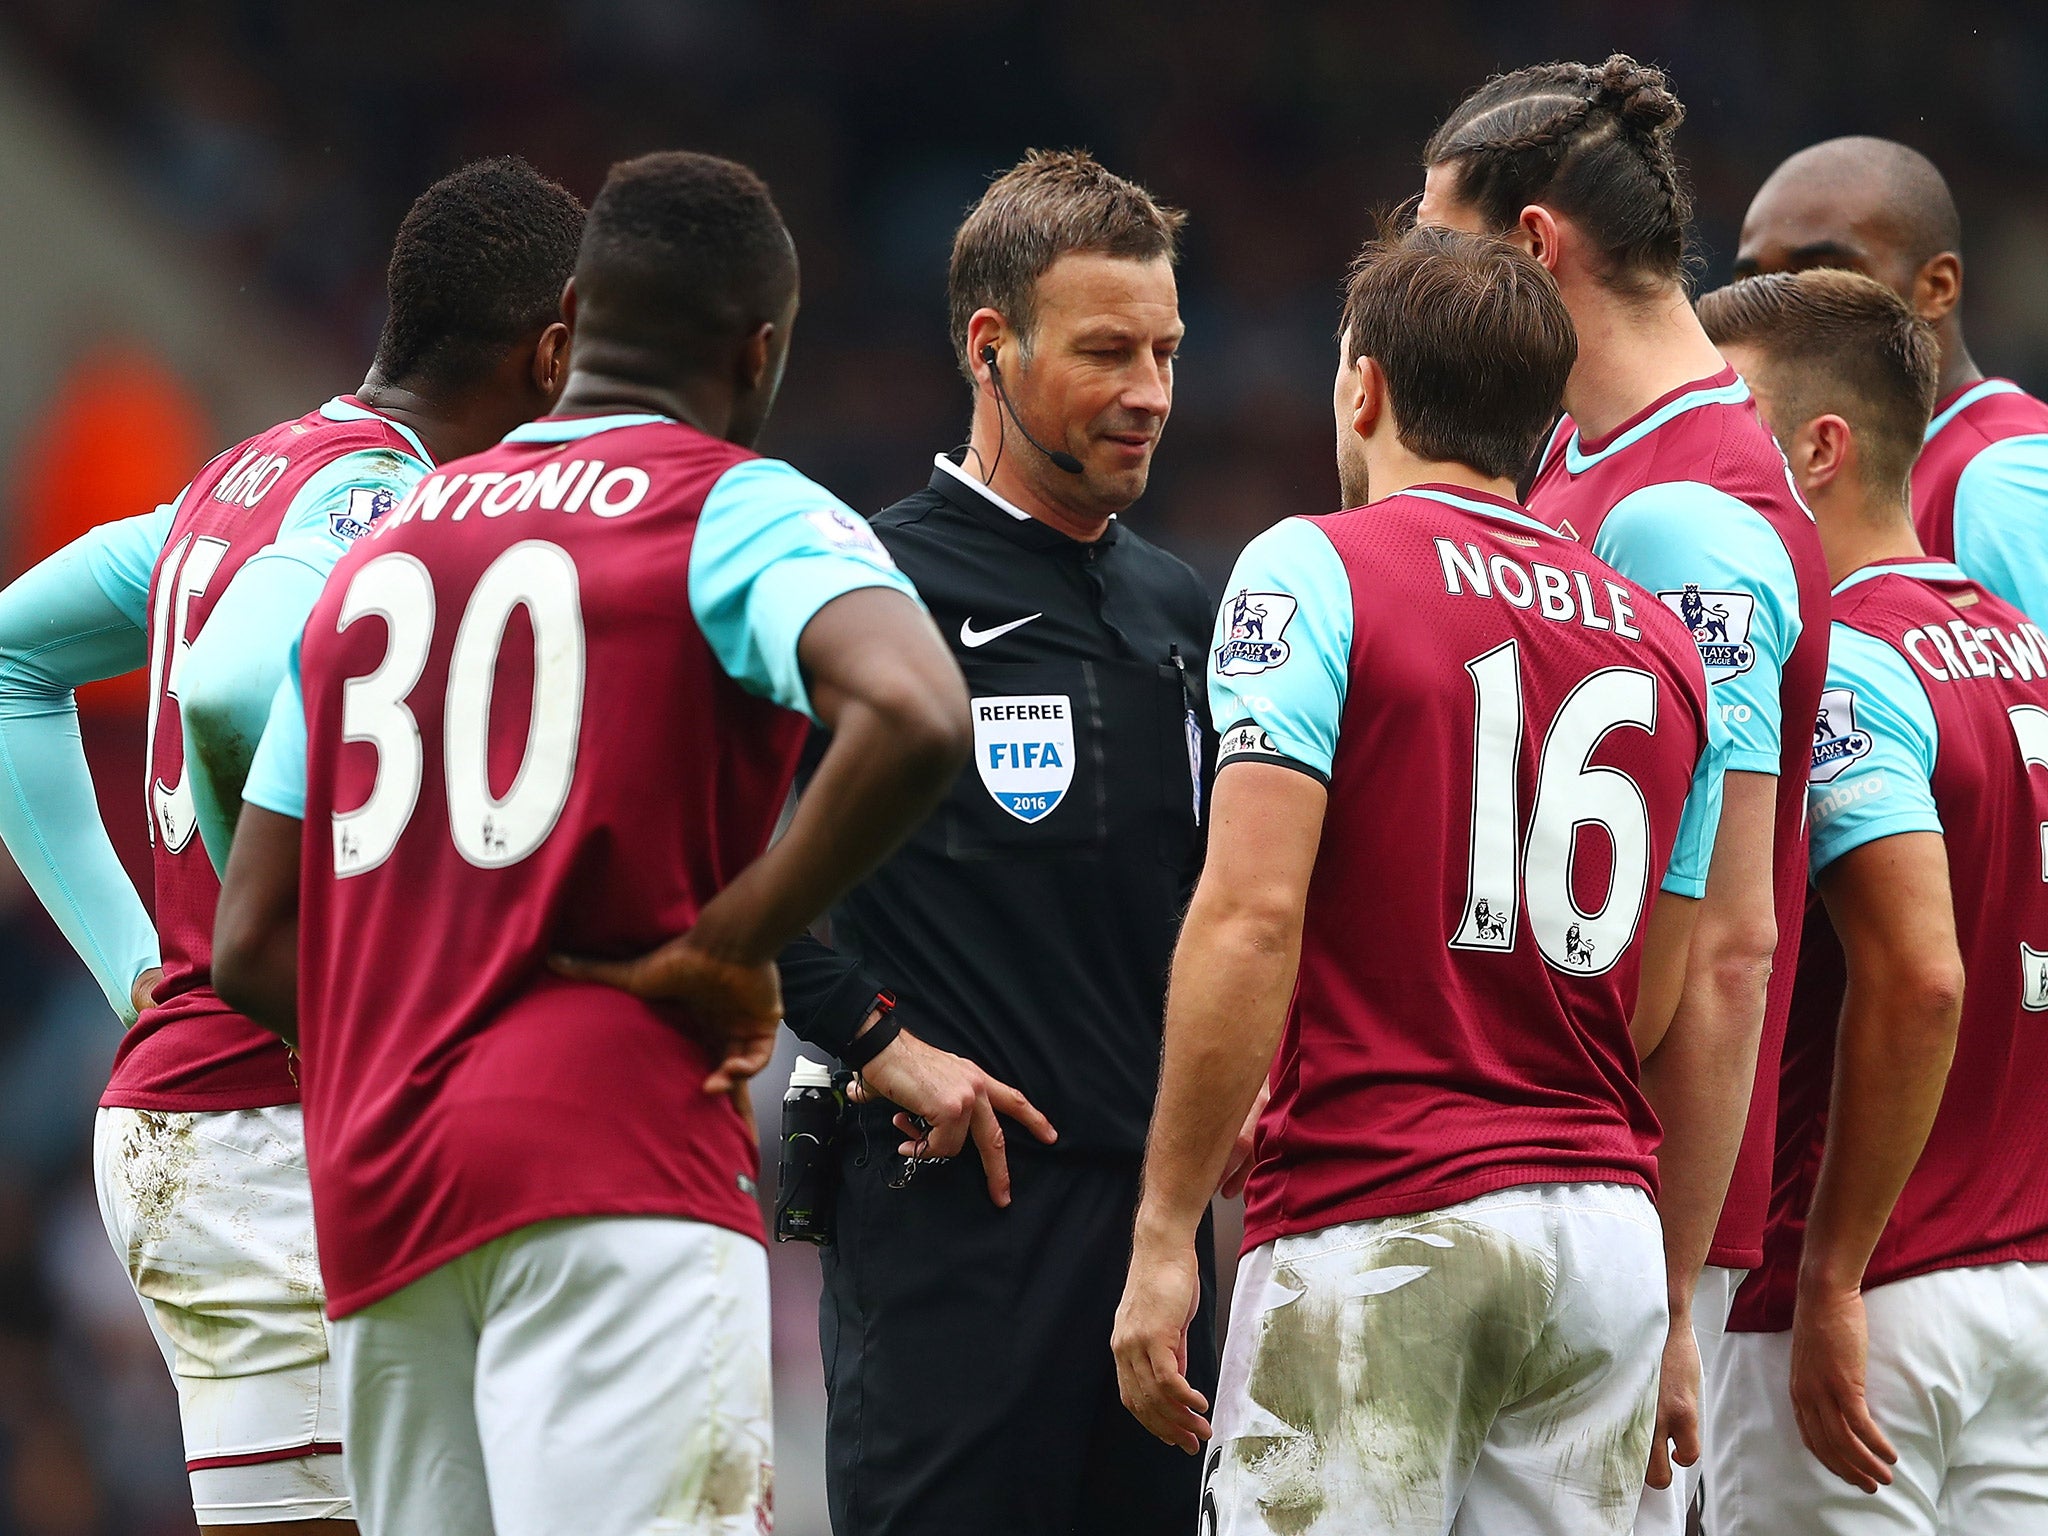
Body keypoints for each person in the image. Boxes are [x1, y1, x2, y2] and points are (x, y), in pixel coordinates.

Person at [207, 148, 968, 1536]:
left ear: (573, 329)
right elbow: (917, 712)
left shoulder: (387, 542)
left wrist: (426, 1029)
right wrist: (730, 946)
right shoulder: (737, 505)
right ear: (761, 351)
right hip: (615, 1165)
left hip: (382, 1191)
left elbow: (249, 940)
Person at [1114, 225, 1729, 1535]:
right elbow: (1662, 992)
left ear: (1365, 389)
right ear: (1544, 424)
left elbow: (1250, 910)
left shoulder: (1315, 567)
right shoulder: (1666, 646)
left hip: (1382, 1217)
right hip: (1602, 1238)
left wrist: (1167, 1230)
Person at [0, 156, 584, 1533]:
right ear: (554, 351)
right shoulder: (376, 509)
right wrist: (280, 964)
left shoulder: (243, 481)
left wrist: (132, 962)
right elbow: (227, 686)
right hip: (268, 1131)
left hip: (204, 1116)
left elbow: (13, 657)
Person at [770, 148, 1217, 1536]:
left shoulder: (1179, 609)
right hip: (956, 1229)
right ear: (991, 347)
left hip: (1160, 1244)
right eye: (1105, 352)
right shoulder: (868, 584)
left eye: (1165, 350)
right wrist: (875, 1041)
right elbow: (714, 864)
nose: (1149, 391)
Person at [1417, 55, 1832, 1533]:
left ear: (1534, 247)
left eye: (1436, 241)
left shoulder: (1698, 512)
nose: (1416, 285)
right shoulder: (1573, 467)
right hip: (1525, 1167)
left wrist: (1664, 1285)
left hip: (1622, 1191)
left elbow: (1728, 939)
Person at [1702, 269, 2048, 1533]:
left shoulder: (1843, 666)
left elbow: (1921, 976)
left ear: (1817, 447)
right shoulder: (2024, 645)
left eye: (1721, 422)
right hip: (2019, 1282)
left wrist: (1829, 1274)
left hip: (1862, 1291)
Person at [1734, 137, 2048, 624]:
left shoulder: (2001, 477)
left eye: (1824, 272)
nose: (1782, 310)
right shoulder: (1816, 470)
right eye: (1756, 285)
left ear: (1937, 288)